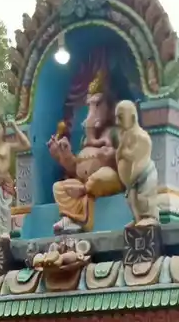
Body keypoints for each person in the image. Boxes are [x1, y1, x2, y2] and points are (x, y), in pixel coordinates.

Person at [47, 72, 123, 232]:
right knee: (58, 187)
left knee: (102, 176)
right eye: (89, 105)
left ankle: (79, 212)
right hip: (84, 183)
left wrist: (110, 156)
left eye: (98, 105)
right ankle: (72, 218)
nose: (92, 110)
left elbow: (126, 160)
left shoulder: (114, 132)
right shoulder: (85, 140)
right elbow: (75, 169)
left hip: (106, 181)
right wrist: (63, 155)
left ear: (110, 108)